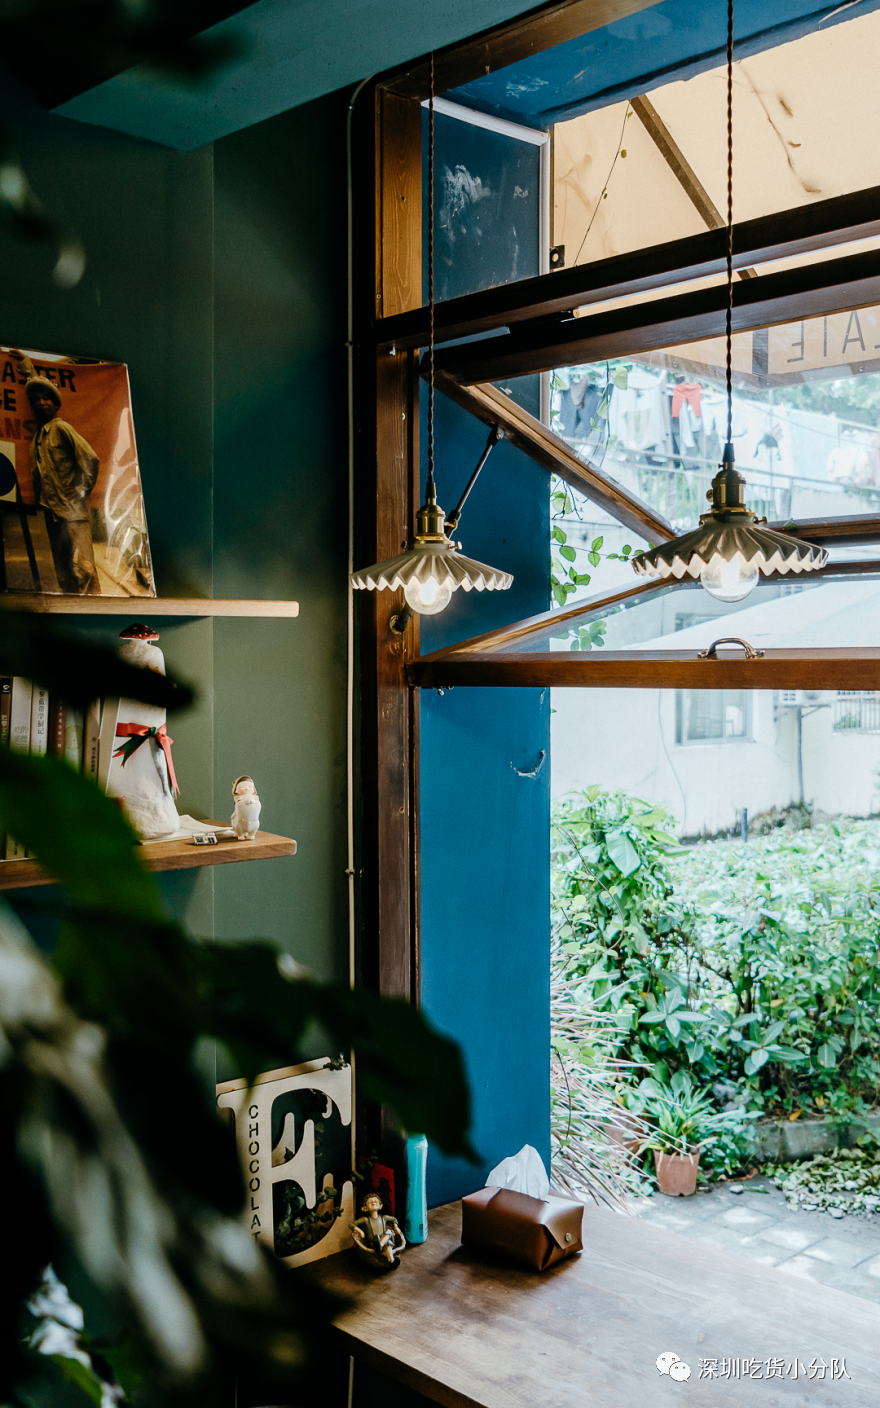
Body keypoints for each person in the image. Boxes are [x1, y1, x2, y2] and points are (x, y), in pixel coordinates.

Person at [20, 357, 100, 594]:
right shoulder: (38, 436)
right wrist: (28, 370)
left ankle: (95, 609)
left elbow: (90, 458)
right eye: (36, 400)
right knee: (61, 570)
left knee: (85, 569)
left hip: (72, 513)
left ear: (56, 404)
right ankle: (70, 609)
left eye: (47, 399)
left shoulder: (62, 428)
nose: (41, 403)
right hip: (50, 515)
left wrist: (82, 488)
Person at [350, 1192, 406, 1268]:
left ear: (380, 1206)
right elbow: (351, 1224)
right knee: (387, 1243)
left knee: (388, 1232)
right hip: (373, 1244)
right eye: (370, 1202)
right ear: (365, 1208)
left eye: (376, 1201)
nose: (373, 1202)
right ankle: (392, 1261)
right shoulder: (365, 1220)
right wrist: (360, 1231)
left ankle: (380, 1244)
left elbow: (394, 1219)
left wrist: (396, 1227)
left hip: (383, 1243)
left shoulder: (384, 1218)